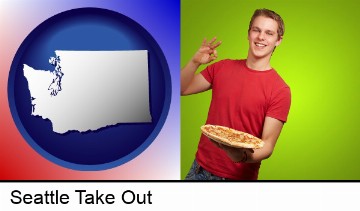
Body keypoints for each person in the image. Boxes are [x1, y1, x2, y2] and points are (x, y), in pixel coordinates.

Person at [181, 8, 291, 180]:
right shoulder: (222, 67)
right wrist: (195, 61)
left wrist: (241, 156)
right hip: (199, 169)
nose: (261, 37)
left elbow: (268, 145)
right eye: (256, 30)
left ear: (278, 40)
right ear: (248, 34)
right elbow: (182, 88)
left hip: (237, 178)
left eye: (269, 33)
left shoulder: (280, 90)